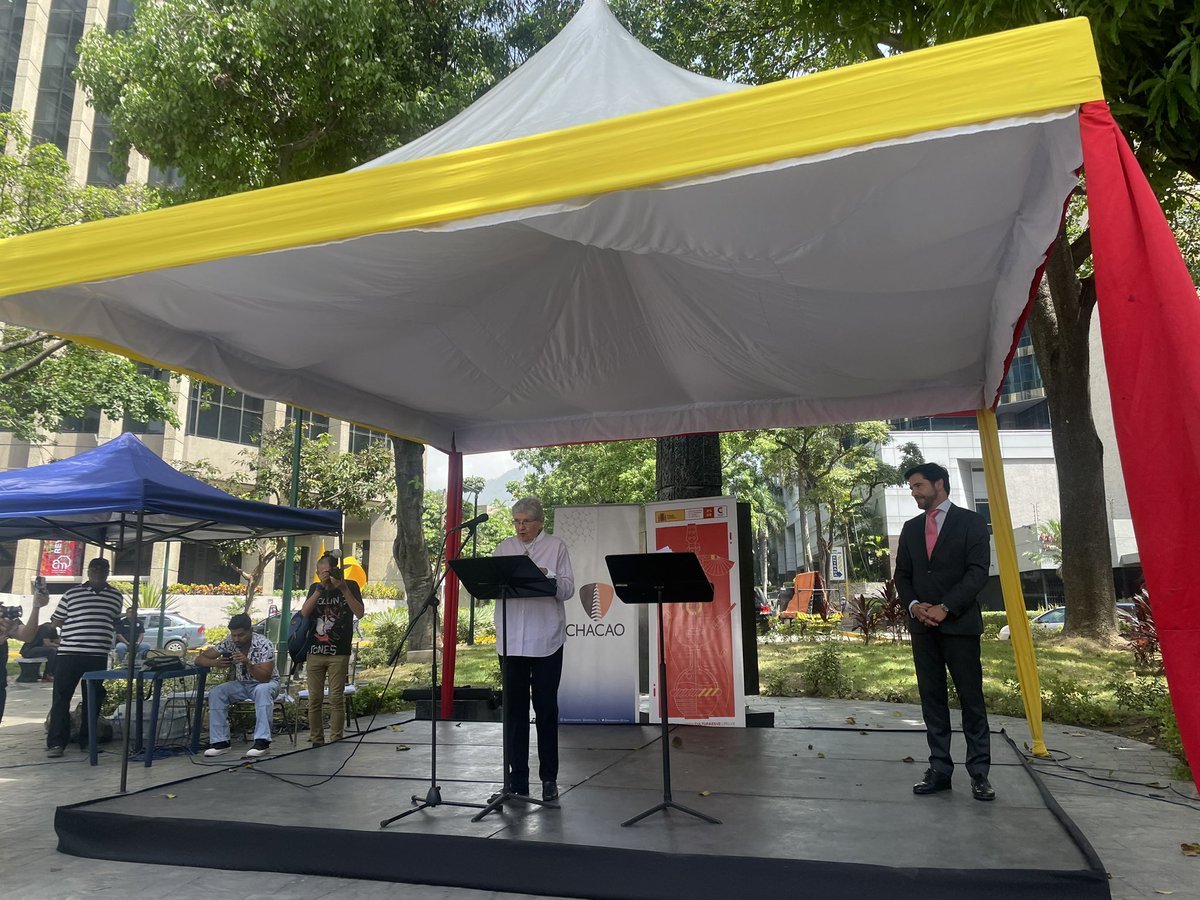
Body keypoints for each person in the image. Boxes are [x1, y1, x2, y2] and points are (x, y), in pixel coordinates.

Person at [895, 462, 995, 802]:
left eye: (919, 485)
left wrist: (946, 606)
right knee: (932, 701)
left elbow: (978, 572)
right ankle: (939, 769)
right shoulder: (910, 529)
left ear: (940, 484)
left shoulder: (972, 522)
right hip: (923, 629)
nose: (914, 492)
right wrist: (914, 606)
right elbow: (903, 576)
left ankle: (979, 774)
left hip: (960, 626)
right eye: (911, 487)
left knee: (972, 701)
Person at [492, 497, 575, 802]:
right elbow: (489, 585)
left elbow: (567, 588)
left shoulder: (556, 546)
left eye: (526, 521)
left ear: (541, 522)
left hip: (545, 641)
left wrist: (546, 577)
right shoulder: (504, 548)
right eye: (516, 521)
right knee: (514, 713)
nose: (521, 527)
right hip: (511, 641)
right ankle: (517, 780)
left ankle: (549, 778)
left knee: (546, 710)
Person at [19, 559, 123, 757]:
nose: (99, 572)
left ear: (108, 572)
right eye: (95, 569)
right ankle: (56, 743)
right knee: (61, 698)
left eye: (103, 569)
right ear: (88, 571)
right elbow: (57, 620)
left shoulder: (116, 596)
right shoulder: (71, 594)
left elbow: (115, 621)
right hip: (69, 653)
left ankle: (88, 741)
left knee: (93, 700)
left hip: (97, 655)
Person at [300, 553, 364, 746]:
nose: (324, 576)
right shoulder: (315, 588)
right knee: (315, 699)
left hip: (339, 651)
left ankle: (336, 737)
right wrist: (320, 589)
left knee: (336, 697)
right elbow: (304, 613)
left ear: (337, 569)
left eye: (327, 572)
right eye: (320, 573)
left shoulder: (350, 585)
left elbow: (359, 613)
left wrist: (343, 588)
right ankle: (316, 738)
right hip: (315, 651)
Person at [196, 613, 279, 758]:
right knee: (217, 692)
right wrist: (215, 663)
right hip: (242, 684)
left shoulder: (264, 644)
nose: (236, 639)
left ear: (251, 630)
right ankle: (221, 742)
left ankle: (262, 742)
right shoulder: (230, 642)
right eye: (233, 635)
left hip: (267, 683)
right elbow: (199, 659)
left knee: (262, 690)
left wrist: (248, 663)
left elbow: (265, 677)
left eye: (240, 635)